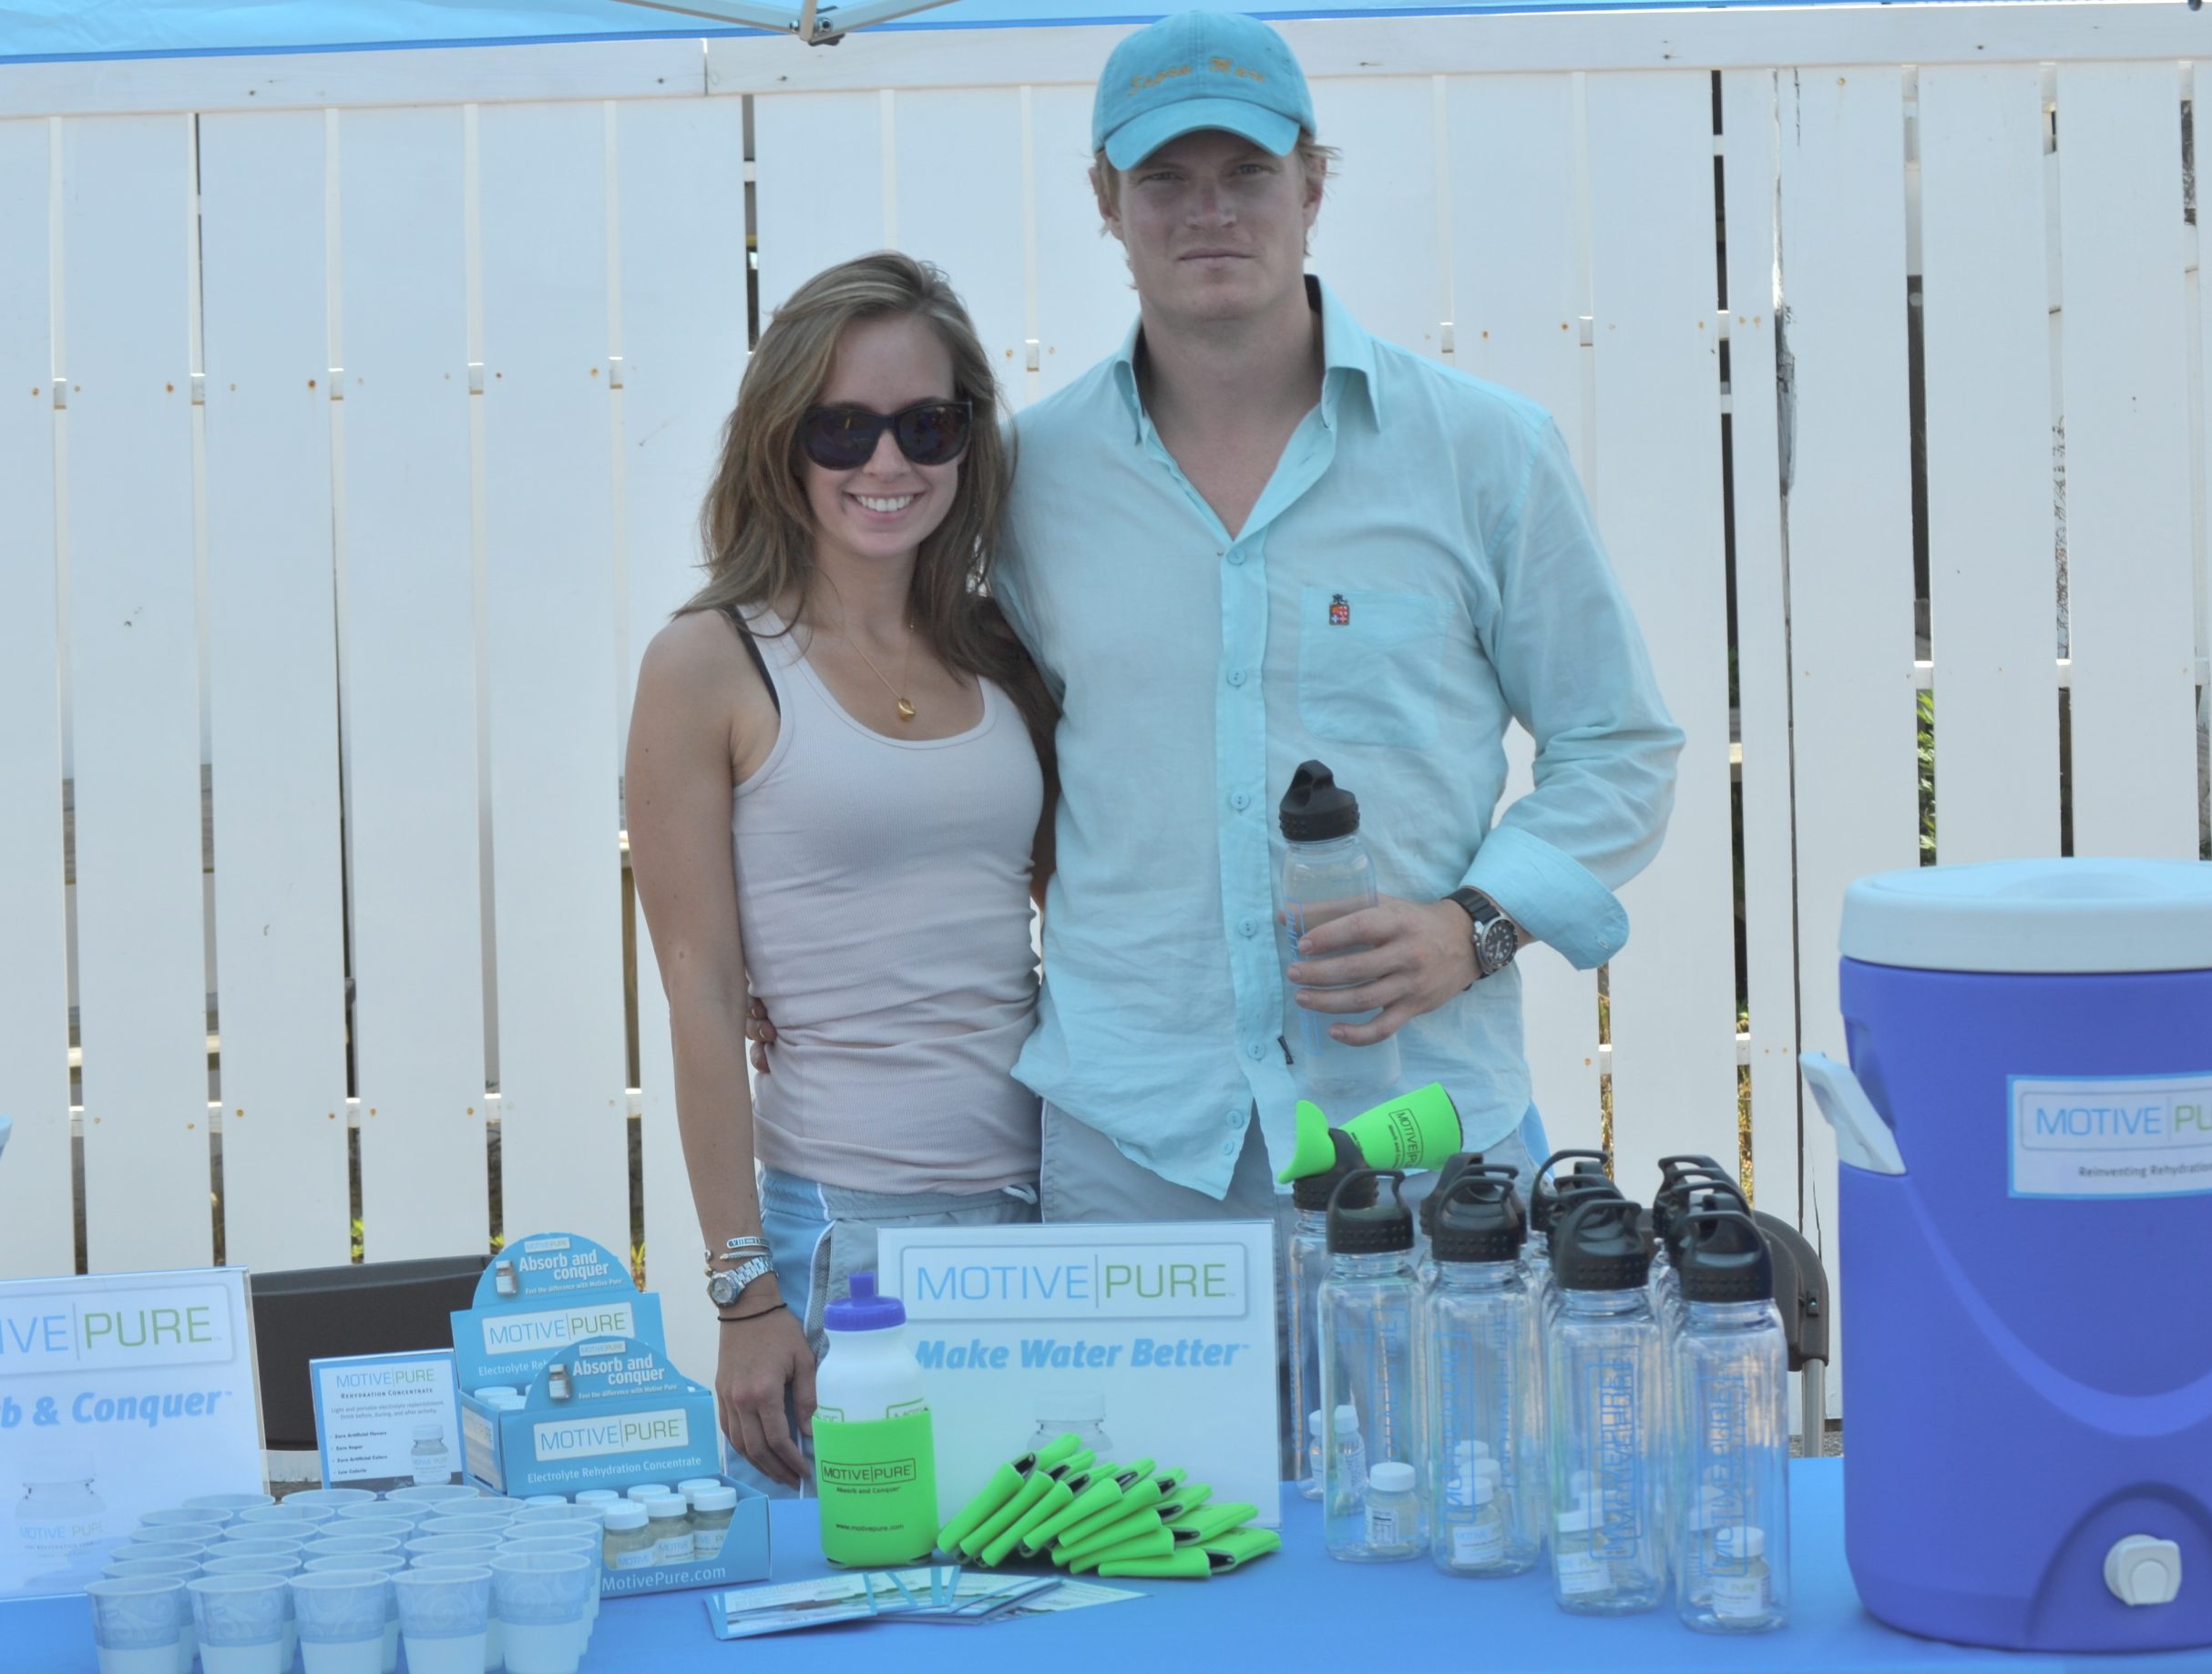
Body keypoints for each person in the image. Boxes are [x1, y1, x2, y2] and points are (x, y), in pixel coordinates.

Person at [995, 12, 1685, 1219]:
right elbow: (956, 760)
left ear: (1315, 181)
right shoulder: (1026, 486)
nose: (1211, 210)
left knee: (1440, 1419)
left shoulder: (1484, 452)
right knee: (1117, 1430)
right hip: (1135, 1148)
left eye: (1249, 171)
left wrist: (1472, 924)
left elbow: (1620, 748)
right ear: (1105, 198)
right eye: (1164, 176)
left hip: (1421, 1132)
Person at [627, 252, 1055, 1489]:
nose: (887, 464)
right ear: (780, 440)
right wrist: (742, 1289)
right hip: (851, 1236)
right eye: (842, 428)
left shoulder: (1000, 650)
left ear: (969, 439)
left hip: (1053, 1209)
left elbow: (1066, 907)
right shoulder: (709, 663)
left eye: (926, 424)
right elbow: (701, 995)